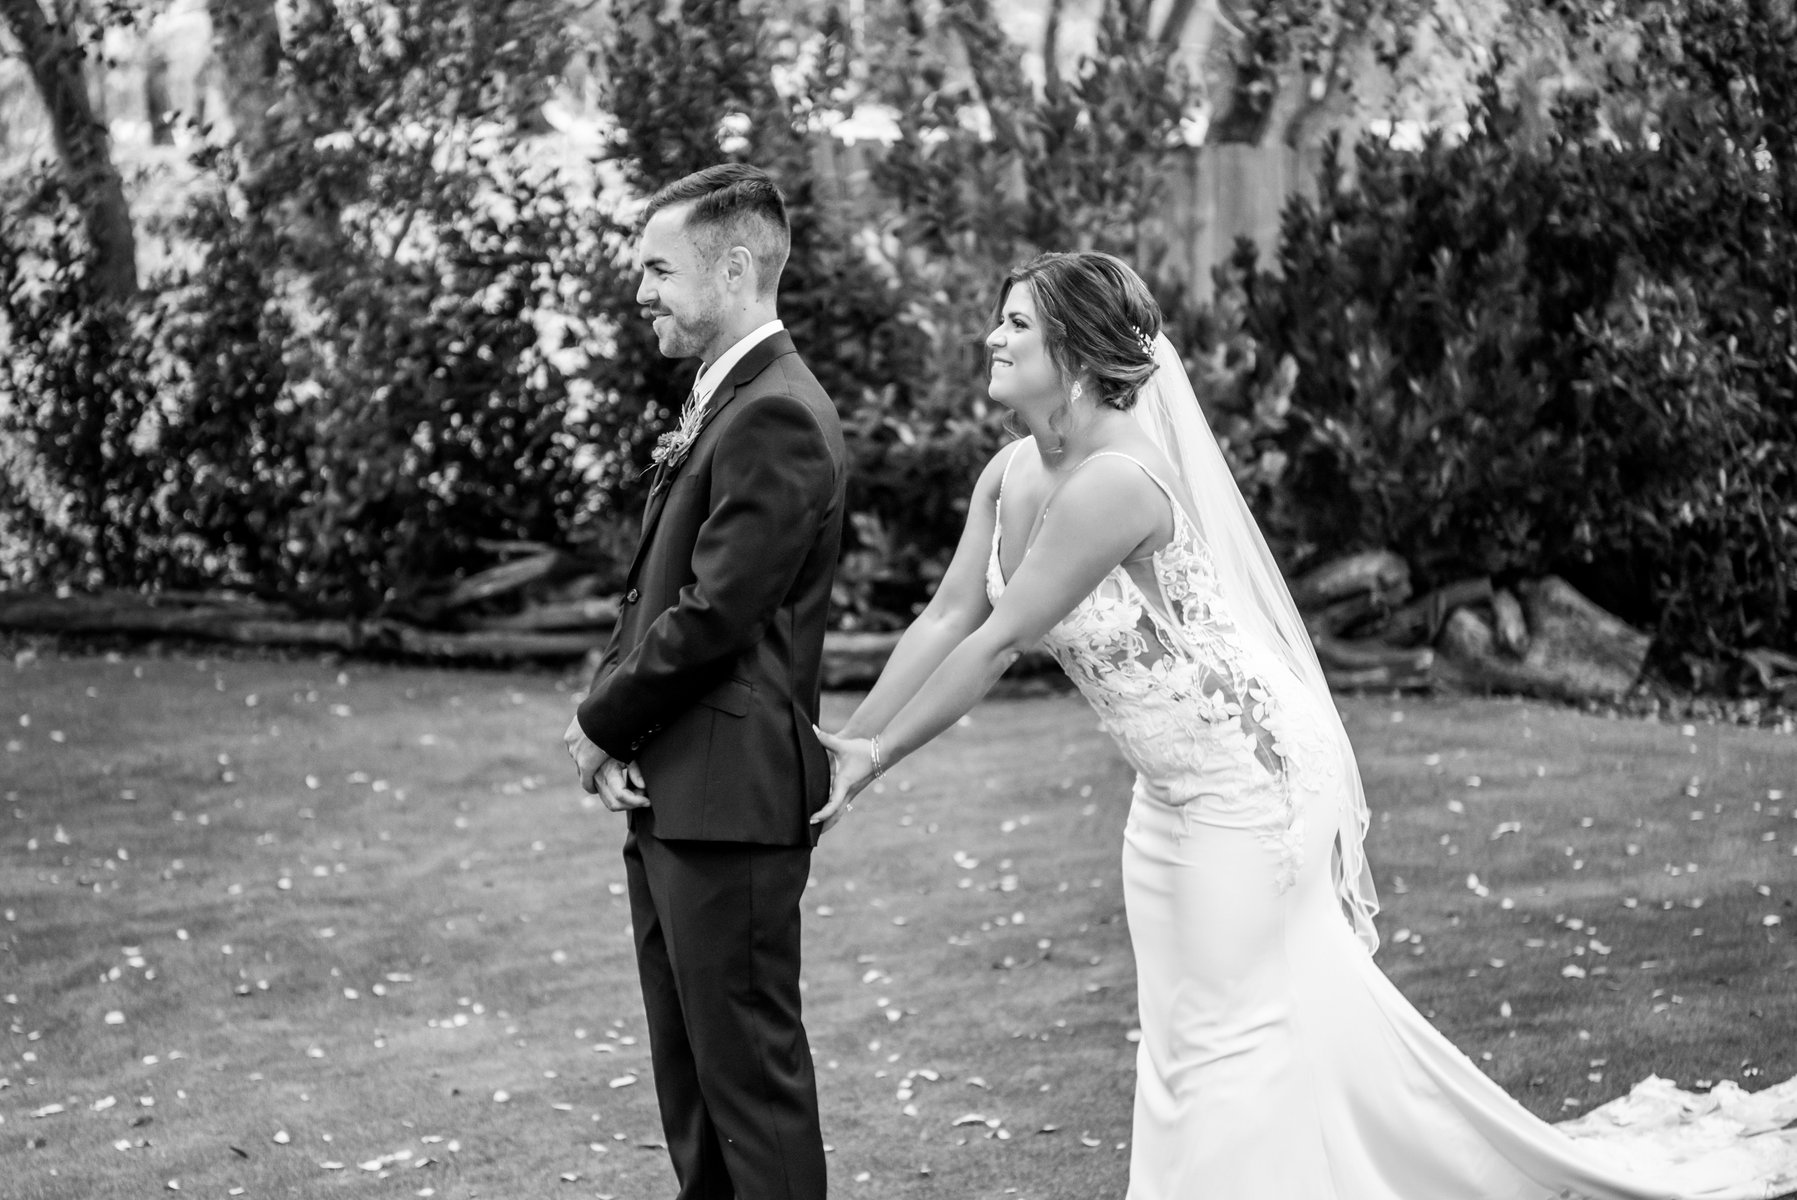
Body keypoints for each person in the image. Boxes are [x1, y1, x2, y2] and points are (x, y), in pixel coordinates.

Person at [815, 250, 1797, 1199]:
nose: (991, 337)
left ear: (1072, 352)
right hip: (1169, 787)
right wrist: (855, 732)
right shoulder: (1007, 473)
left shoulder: (1113, 481)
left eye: (1015, 323)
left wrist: (876, 760)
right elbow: (947, 617)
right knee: (1187, 1037)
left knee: (1226, 1037)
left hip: (1251, 775)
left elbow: (997, 643)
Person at [564, 163, 845, 1200]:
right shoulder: (729, 399)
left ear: (732, 269)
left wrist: (601, 721)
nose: (641, 290)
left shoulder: (777, 414)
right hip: (681, 791)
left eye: (658, 269)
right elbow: (655, 588)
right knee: (694, 1096)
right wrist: (621, 731)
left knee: (751, 1099)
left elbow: (715, 613)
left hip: (731, 805)